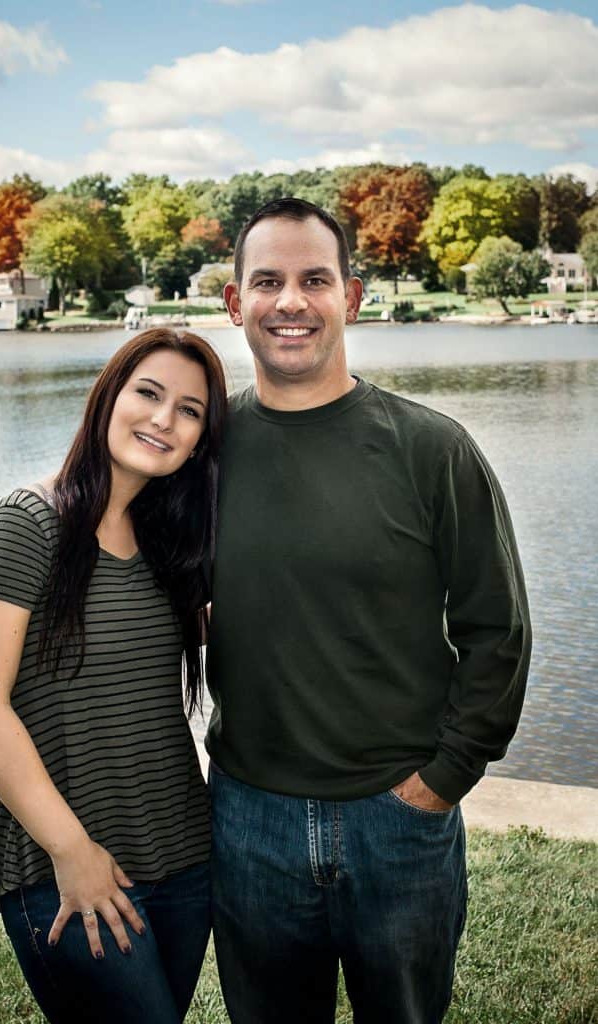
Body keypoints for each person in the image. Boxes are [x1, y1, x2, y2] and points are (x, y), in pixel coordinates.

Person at [205, 198, 531, 1024]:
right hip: (250, 820)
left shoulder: (431, 448)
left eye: (313, 280)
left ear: (350, 298)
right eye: (267, 281)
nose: (290, 302)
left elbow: (497, 628)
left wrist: (442, 780)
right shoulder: (198, 455)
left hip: (399, 820)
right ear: (233, 302)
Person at [0, 328, 227, 1024]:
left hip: (184, 857)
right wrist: (72, 852)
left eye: (190, 410)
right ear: (108, 397)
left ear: (201, 439)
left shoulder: (167, 544)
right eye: (149, 393)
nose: (164, 419)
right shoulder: (28, 522)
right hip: (66, 867)